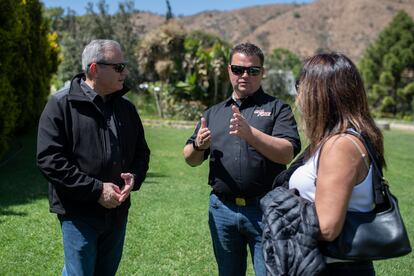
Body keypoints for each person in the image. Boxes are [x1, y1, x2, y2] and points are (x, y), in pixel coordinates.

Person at [183, 42, 301, 276]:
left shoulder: (278, 109)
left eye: (252, 70)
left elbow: (287, 152)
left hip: (265, 210)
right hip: (222, 209)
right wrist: (198, 146)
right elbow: (190, 158)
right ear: (229, 70)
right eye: (238, 69)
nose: (245, 75)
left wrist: (251, 134)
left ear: (262, 73)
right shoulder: (213, 112)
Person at [37, 39, 150, 276]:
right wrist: (97, 190)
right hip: (78, 213)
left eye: (124, 66)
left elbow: (142, 152)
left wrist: (134, 178)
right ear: (94, 69)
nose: (125, 72)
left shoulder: (126, 108)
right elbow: (50, 160)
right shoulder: (61, 104)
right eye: (118, 67)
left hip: (117, 212)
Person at [287, 52, 385, 275]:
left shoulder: (341, 145)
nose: (298, 95)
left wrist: (280, 217)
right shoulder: (333, 140)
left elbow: (327, 227)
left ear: (320, 93)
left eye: (300, 85)